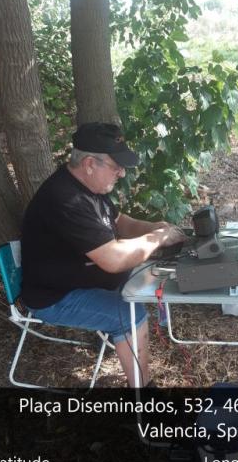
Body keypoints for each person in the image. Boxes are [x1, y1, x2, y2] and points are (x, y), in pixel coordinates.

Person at [21, 122, 186, 387]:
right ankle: (143, 395)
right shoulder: (64, 199)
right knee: (131, 316)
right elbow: (113, 259)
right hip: (54, 297)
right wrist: (157, 239)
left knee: (151, 277)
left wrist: (154, 228)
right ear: (89, 164)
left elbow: (120, 222)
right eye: (115, 166)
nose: (122, 173)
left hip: (80, 281)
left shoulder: (88, 187)